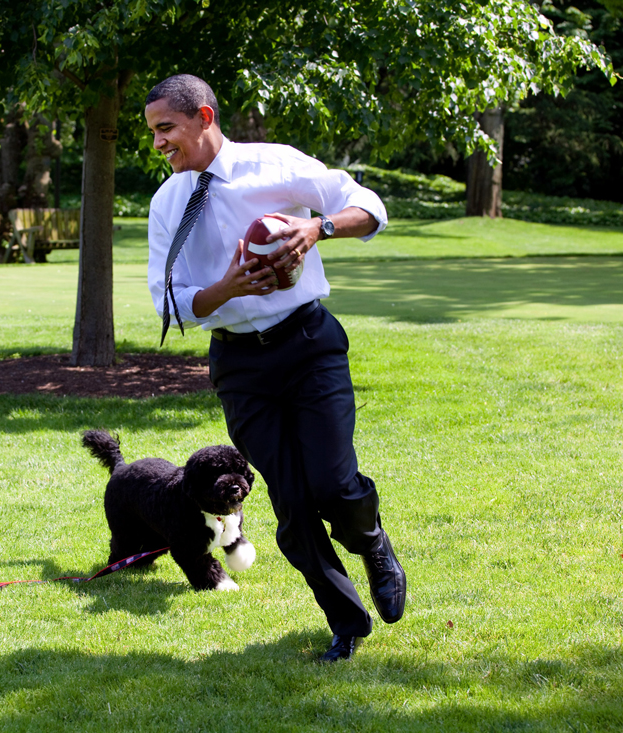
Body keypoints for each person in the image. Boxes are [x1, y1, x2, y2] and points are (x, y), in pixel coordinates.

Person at [144, 74, 406, 663]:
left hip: (308, 344)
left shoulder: (275, 165)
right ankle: (346, 622)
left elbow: (370, 206)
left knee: (334, 486)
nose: (159, 143)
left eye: (167, 129)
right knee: (290, 504)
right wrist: (225, 288)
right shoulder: (167, 204)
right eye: (153, 133)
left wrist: (318, 227)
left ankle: (373, 543)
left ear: (204, 118)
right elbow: (168, 301)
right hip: (240, 366)